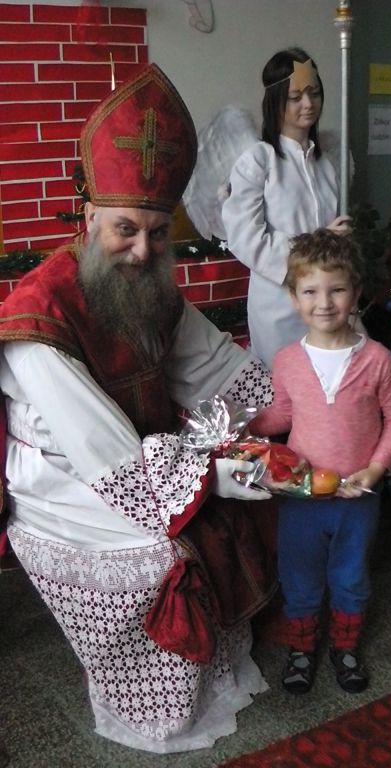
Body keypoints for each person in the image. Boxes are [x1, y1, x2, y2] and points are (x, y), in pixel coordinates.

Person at [0, 64, 278, 754]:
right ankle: (153, 706)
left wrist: (283, 414)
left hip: (138, 456)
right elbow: (109, 459)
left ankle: (209, 669)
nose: (143, 250)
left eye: (158, 233)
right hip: (64, 477)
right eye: (125, 229)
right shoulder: (40, 314)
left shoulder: (147, 281)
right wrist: (211, 474)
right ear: (89, 214)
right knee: (162, 550)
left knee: (229, 495)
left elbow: (214, 365)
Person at [248, 228, 391, 695]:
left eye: (336, 289)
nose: (324, 303)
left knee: (350, 574)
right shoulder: (286, 360)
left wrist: (377, 468)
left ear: (355, 293)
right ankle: (302, 649)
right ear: (293, 297)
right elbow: (283, 414)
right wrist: (243, 425)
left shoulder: (376, 359)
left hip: (358, 496)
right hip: (301, 495)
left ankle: (345, 646)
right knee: (298, 573)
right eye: (310, 291)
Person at [222, 47, 352, 369]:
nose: (308, 104)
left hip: (328, 301)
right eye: (295, 97)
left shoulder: (330, 163)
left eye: (314, 93)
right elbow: (246, 239)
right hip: (279, 304)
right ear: (276, 101)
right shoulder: (258, 161)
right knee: (286, 384)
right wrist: (316, 244)